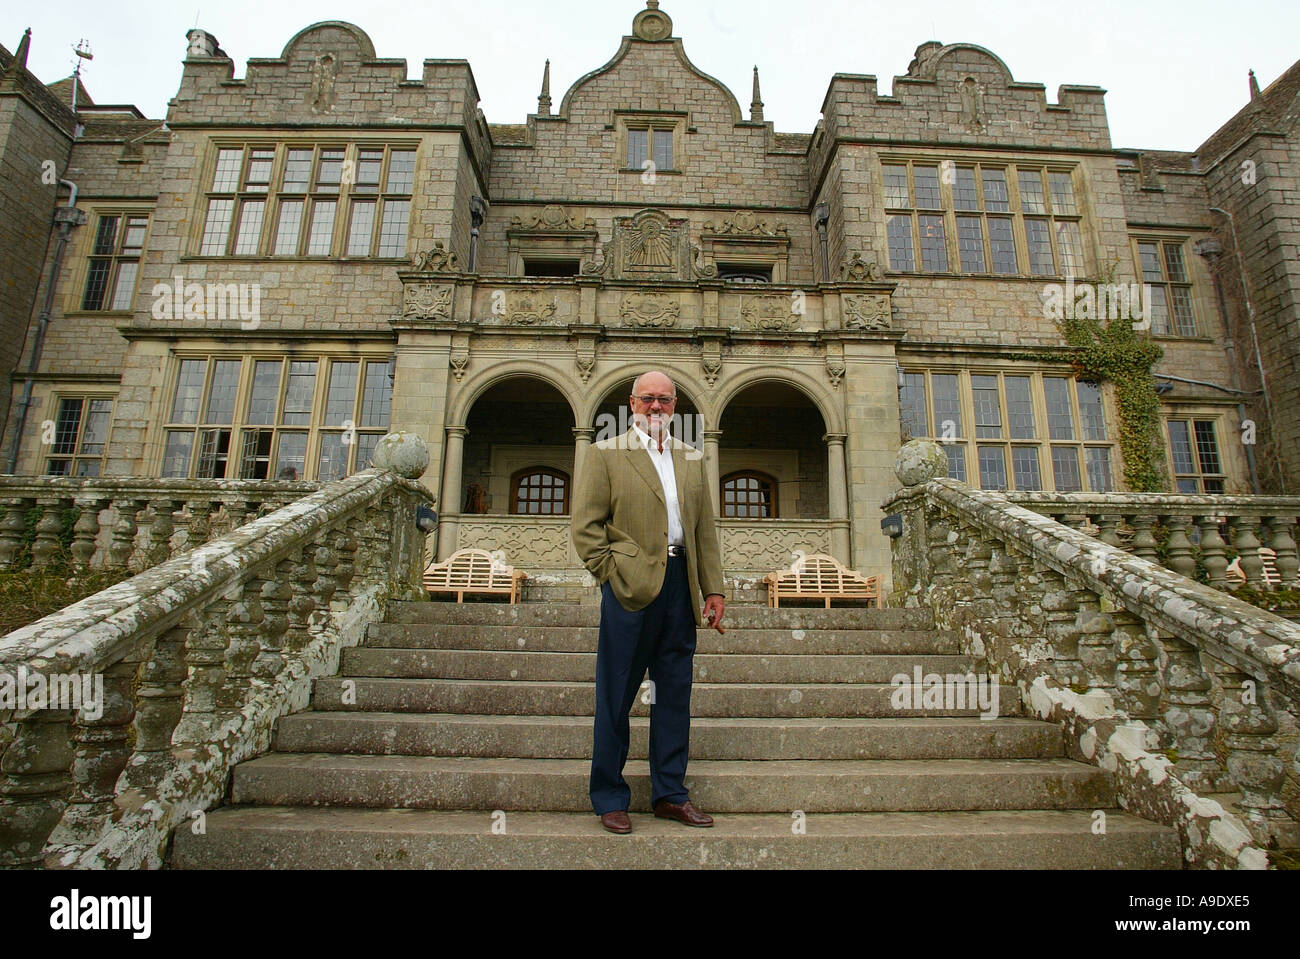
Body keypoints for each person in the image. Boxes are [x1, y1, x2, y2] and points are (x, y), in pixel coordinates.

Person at [571, 370, 726, 835]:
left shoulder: (692, 458)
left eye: (664, 400)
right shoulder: (605, 454)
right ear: (632, 404)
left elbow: (704, 531)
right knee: (616, 695)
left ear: (675, 405)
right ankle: (609, 797)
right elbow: (586, 527)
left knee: (674, 694)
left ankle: (670, 795)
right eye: (647, 400)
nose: (655, 407)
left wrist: (712, 589)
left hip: (680, 585)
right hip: (630, 588)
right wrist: (613, 575)